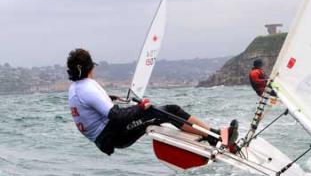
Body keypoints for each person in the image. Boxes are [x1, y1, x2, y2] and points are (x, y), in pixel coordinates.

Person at [67, 48, 238, 155]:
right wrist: (140, 107)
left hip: (106, 135)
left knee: (163, 113)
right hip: (112, 136)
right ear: (90, 67)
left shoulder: (76, 87)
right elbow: (116, 116)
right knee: (166, 112)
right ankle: (215, 137)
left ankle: (209, 137)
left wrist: (108, 98)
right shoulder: (88, 88)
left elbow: (88, 106)